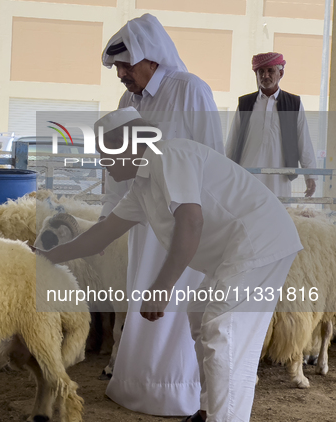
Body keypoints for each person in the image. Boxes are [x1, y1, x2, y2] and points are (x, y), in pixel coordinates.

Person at [36, 108, 302, 422]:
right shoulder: (142, 187)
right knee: (201, 316)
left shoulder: (170, 154)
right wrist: (43, 257)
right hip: (237, 251)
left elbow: (190, 221)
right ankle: (207, 411)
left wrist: (161, 288)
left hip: (258, 242)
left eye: (105, 153)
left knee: (223, 333)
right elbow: (99, 237)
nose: (103, 162)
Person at [99, 14, 224, 416]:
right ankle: (137, 385)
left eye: (125, 65)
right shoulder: (127, 100)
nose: (120, 74)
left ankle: (177, 392)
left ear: (150, 58)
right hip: (143, 218)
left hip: (185, 222)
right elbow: (118, 166)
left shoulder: (190, 90)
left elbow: (212, 158)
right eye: (116, 67)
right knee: (143, 296)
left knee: (177, 301)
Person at [226, 52, 317, 197]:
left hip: (279, 179)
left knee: (277, 215)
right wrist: (225, 171)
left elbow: (303, 141)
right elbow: (232, 141)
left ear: (280, 73)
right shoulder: (245, 103)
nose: (265, 75)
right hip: (247, 177)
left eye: (270, 71)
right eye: (261, 71)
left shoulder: (293, 104)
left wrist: (310, 175)